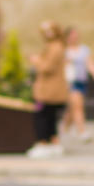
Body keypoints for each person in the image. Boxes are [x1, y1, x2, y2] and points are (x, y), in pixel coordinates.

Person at [26, 20, 69, 158]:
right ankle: (53, 142)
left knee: (42, 116)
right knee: (50, 117)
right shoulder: (57, 46)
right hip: (51, 90)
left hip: (48, 91)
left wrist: (36, 60)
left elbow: (47, 68)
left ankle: (43, 143)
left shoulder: (55, 47)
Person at [61, 26, 94, 142]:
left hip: (81, 81)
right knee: (78, 106)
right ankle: (82, 131)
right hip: (69, 82)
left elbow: (90, 63)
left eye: (76, 35)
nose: (74, 37)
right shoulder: (63, 50)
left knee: (73, 107)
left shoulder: (84, 49)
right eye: (72, 35)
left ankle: (65, 127)